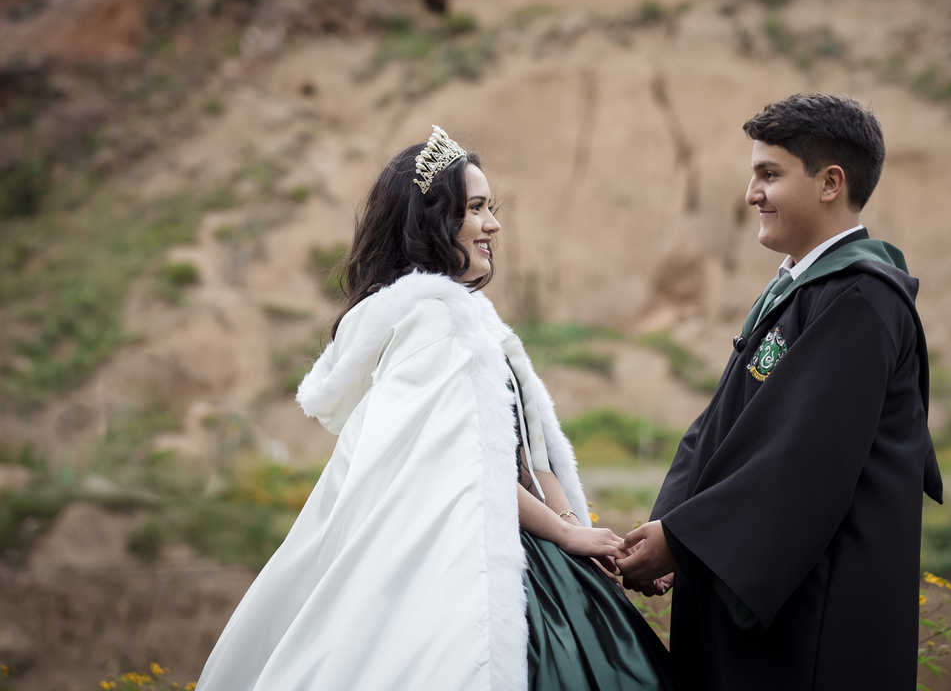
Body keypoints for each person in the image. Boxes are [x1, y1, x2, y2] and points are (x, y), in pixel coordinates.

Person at [196, 126, 679, 691]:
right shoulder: (434, 323)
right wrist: (569, 536)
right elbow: (467, 462)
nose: (493, 225)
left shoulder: (476, 323)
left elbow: (530, 453)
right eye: (475, 209)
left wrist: (587, 536)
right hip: (473, 551)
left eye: (489, 208)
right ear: (433, 222)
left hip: (529, 537)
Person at [617, 94, 943, 690]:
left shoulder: (861, 300)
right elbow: (720, 427)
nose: (751, 194)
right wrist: (668, 526)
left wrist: (684, 541)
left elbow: (802, 459)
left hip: (815, 622)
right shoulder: (801, 290)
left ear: (830, 183)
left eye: (770, 174)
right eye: (753, 174)